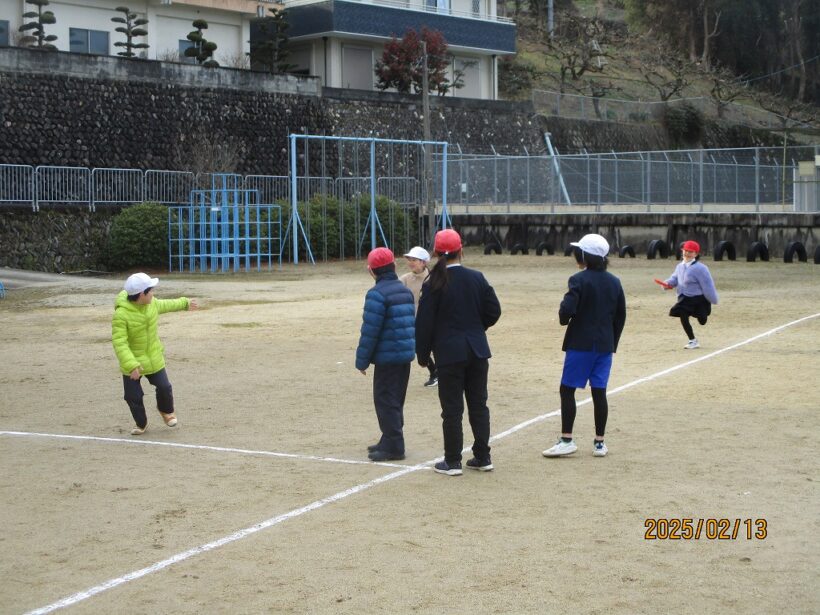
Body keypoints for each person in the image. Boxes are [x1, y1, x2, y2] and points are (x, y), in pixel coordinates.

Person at [415, 229, 501, 476]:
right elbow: (494, 311)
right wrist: (476, 328)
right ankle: (483, 456)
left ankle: (452, 460)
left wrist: (422, 355)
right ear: (461, 250)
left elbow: (425, 324)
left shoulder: (433, 284)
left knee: (452, 408)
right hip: (477, 349)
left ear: (435, 253)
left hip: (449, 353)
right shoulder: (477, 277)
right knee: (478, 405)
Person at [543, 233, 626, 459]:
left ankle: (567, 439)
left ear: (584, 256)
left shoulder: (578, 280)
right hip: (605, 345)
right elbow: (620, 316)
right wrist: (612, 342)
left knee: (567, 389)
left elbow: (567, 309)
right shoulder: (615, 282)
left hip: (581, 343)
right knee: (599, 392)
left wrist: (563, 318)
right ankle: (600, 442)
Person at [112, 272, 198, 436]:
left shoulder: (152, 304)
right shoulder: (121, 315)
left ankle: (166, 411)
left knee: (165, 387)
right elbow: (119, 343)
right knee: (133, 396)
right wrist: (131, 365)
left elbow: (168, 304)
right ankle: (141, 423)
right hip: (132, 362)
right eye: (150, 291)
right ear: (141, 294)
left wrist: (185, 303)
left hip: (153, 357)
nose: (153, 294)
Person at [355, 247, 416, 462]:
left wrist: (362, 361)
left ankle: (394, 445)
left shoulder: (376, 294)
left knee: (385, 400)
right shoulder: (404, 290)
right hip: (404, 354)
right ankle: (388, 438)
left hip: (387, 357)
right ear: (393, 266)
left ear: (372, 271)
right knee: (396, 399)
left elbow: (370, 330)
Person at [657, 239, 719, 349]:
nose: (687, 253)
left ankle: (701, 315)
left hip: (699, 299)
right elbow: (674, 278)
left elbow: (708, 285)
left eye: (690, 251)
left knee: (702, 321)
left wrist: (713, 298)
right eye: (685, 250)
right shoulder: (680, 266)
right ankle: (692, 340)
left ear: (696, 253)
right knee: (683, 315)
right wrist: (666, 284)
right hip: (684, 298)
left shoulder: (701, 268)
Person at [399, 246, 438, 387]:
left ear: (423, 262)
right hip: (413, 322)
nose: (410, 262)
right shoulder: (405, 279)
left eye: (414, 259)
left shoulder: (434, 278)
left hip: (433, 321)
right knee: (419, 348)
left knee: (437, 347)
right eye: (409, 259)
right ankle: (434, 372)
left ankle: (441, 373)